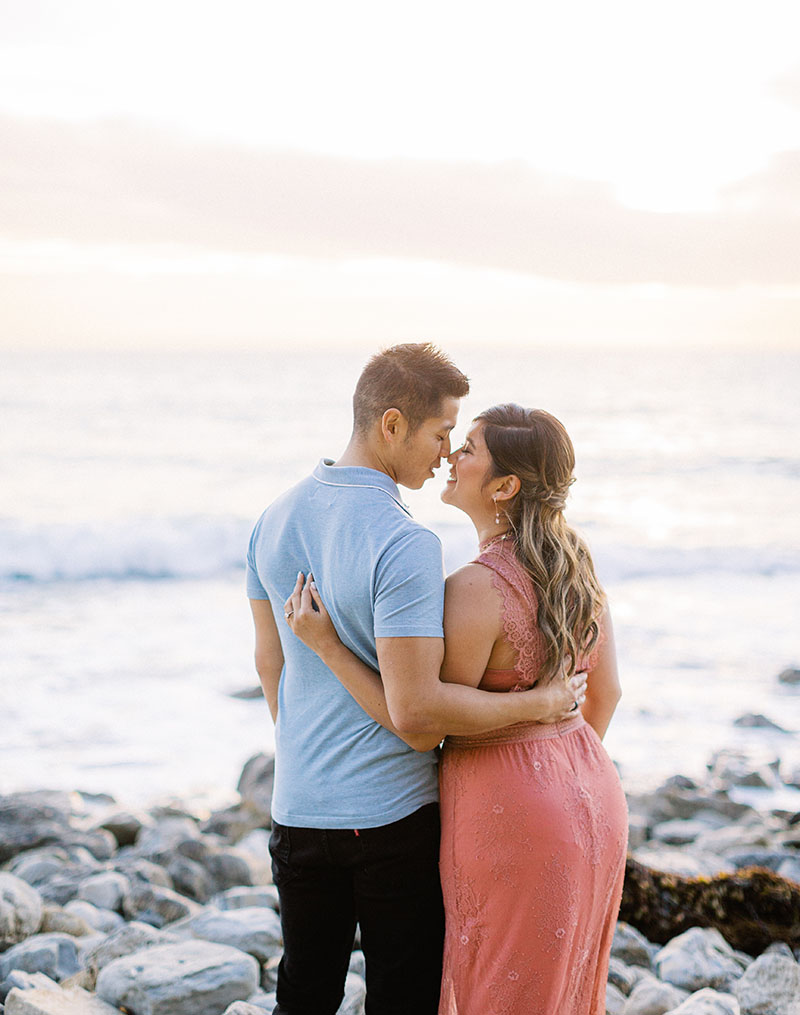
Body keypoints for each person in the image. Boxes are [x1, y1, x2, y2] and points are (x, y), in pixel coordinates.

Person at [246, 347, 586, 1015]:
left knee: (304, 992)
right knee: (403, 998)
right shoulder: (405, 543)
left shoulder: (272, 518)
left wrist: (309, 759)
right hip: (390, 817)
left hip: (298, 805)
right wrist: (544, 702)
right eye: (440, 433)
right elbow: (420, 710)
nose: (446, 452)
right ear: (393, 425)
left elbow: (271, 663)